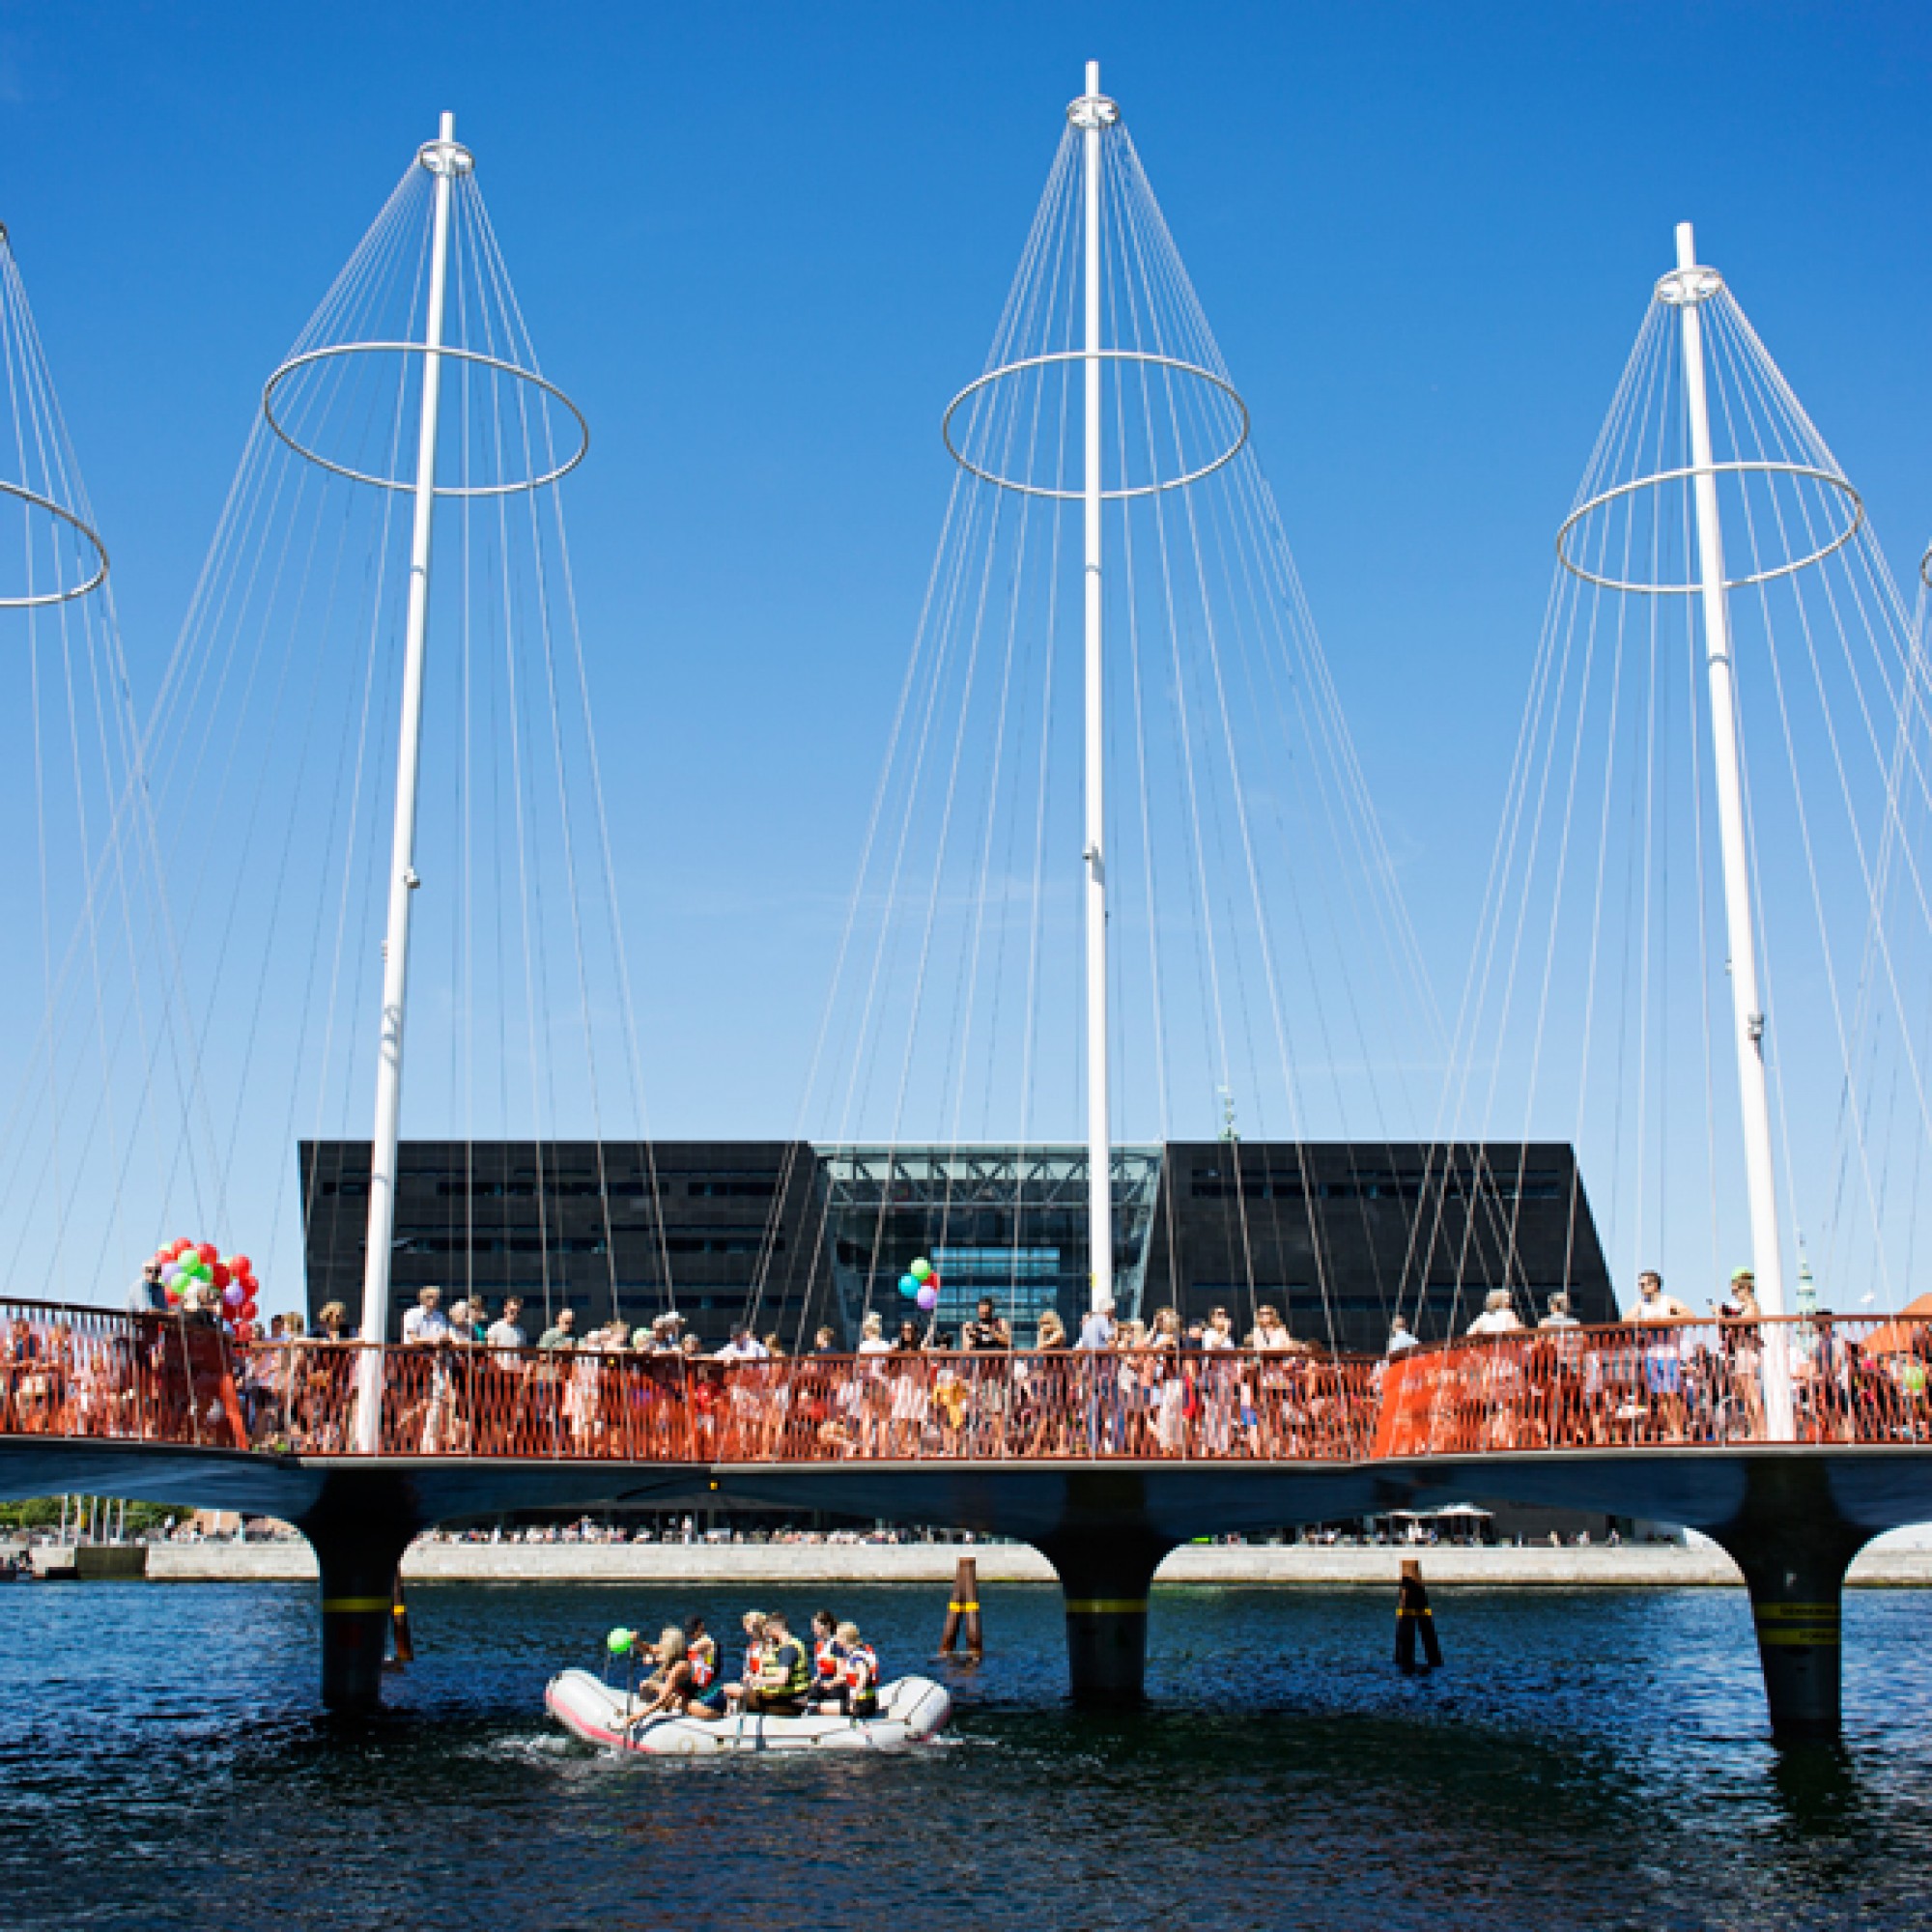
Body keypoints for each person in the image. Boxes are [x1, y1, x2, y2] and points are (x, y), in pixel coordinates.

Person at [746, 1610, 810, 1716]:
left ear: (775, 1629)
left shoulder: (788, 1649)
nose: (768, 1634)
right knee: (742, 1693)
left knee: (733, 1691)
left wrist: (757, 1680)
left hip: (791, 1701)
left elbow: (781, 1680)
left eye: (768, 1630)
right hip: (788, 1696)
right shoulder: (789, 1644)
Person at [825, 1621, 879, 1719]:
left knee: (818, 1708)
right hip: (867, 1701)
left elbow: (863, 1676)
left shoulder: (856, 1656)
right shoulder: (860, 1651)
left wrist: (853, 1699)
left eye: (837, 1636)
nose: (835, 1639)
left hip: (862, 1704)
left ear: (844, 1639)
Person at [810, 1608, 844, 1694]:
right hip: (822, 1685)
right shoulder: (818, 1645)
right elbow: (819, 1672)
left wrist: (830, 1684)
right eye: (813, 1627)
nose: (814, 1630)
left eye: (816, 1627)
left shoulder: (836, 1644)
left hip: (836, 1686)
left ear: (827, 1626)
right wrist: (814, 1681)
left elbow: (841, 1674)